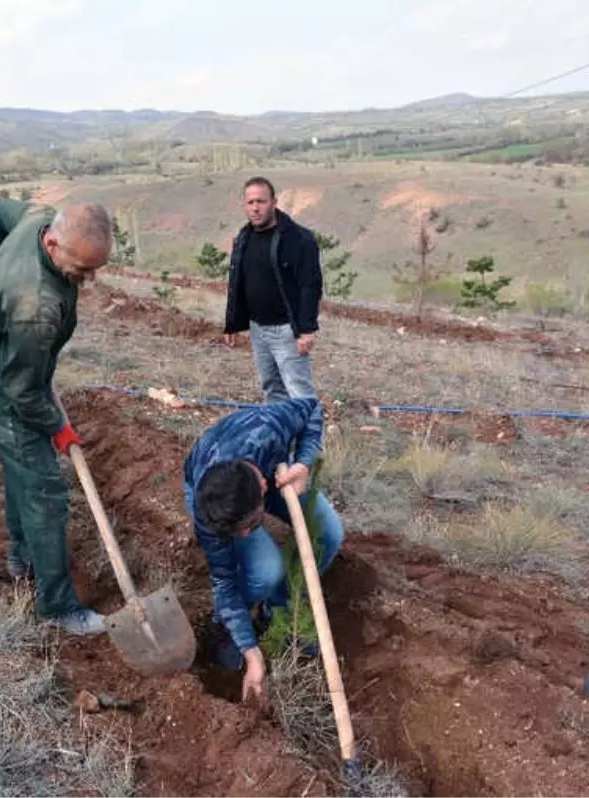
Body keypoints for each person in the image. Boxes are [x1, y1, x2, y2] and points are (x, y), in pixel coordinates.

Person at [0, 197, 113, 636]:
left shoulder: (34, 217)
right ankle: (58, 606)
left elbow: (1, 209)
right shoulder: (37, 308)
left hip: (3, 362)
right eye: (82, 269)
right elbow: (22, 392)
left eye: (95, 268)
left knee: (21, 468)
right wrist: (58, 427)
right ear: (51, 243)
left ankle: (22, 554)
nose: (88, 280)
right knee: (44, 487)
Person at [182, 397, 345, 701]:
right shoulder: (212, 515)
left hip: (269, 469)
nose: (242, 535)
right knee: (266, 569)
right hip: (211, 484)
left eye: (249, 526)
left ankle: (278, 609)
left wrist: (302, 462)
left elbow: (312, 408)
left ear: (263, 491)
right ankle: (226, 626)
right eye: (237, 531)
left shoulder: (268, 428)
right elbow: (224, 583)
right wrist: (253, 656)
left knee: (329, 533)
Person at [223, 177, 323, 403]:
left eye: (261, 201)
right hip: (258, 330)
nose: (255, 208)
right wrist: (232, 323)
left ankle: (310, 438)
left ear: (274, 202)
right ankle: (283, 438)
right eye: (250, 203)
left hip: (287, 331)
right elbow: (237, 281)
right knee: (273, 391)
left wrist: (306, 330)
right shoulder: (243, 238)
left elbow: (311, 285)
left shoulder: (299, 239)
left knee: (300, 394)